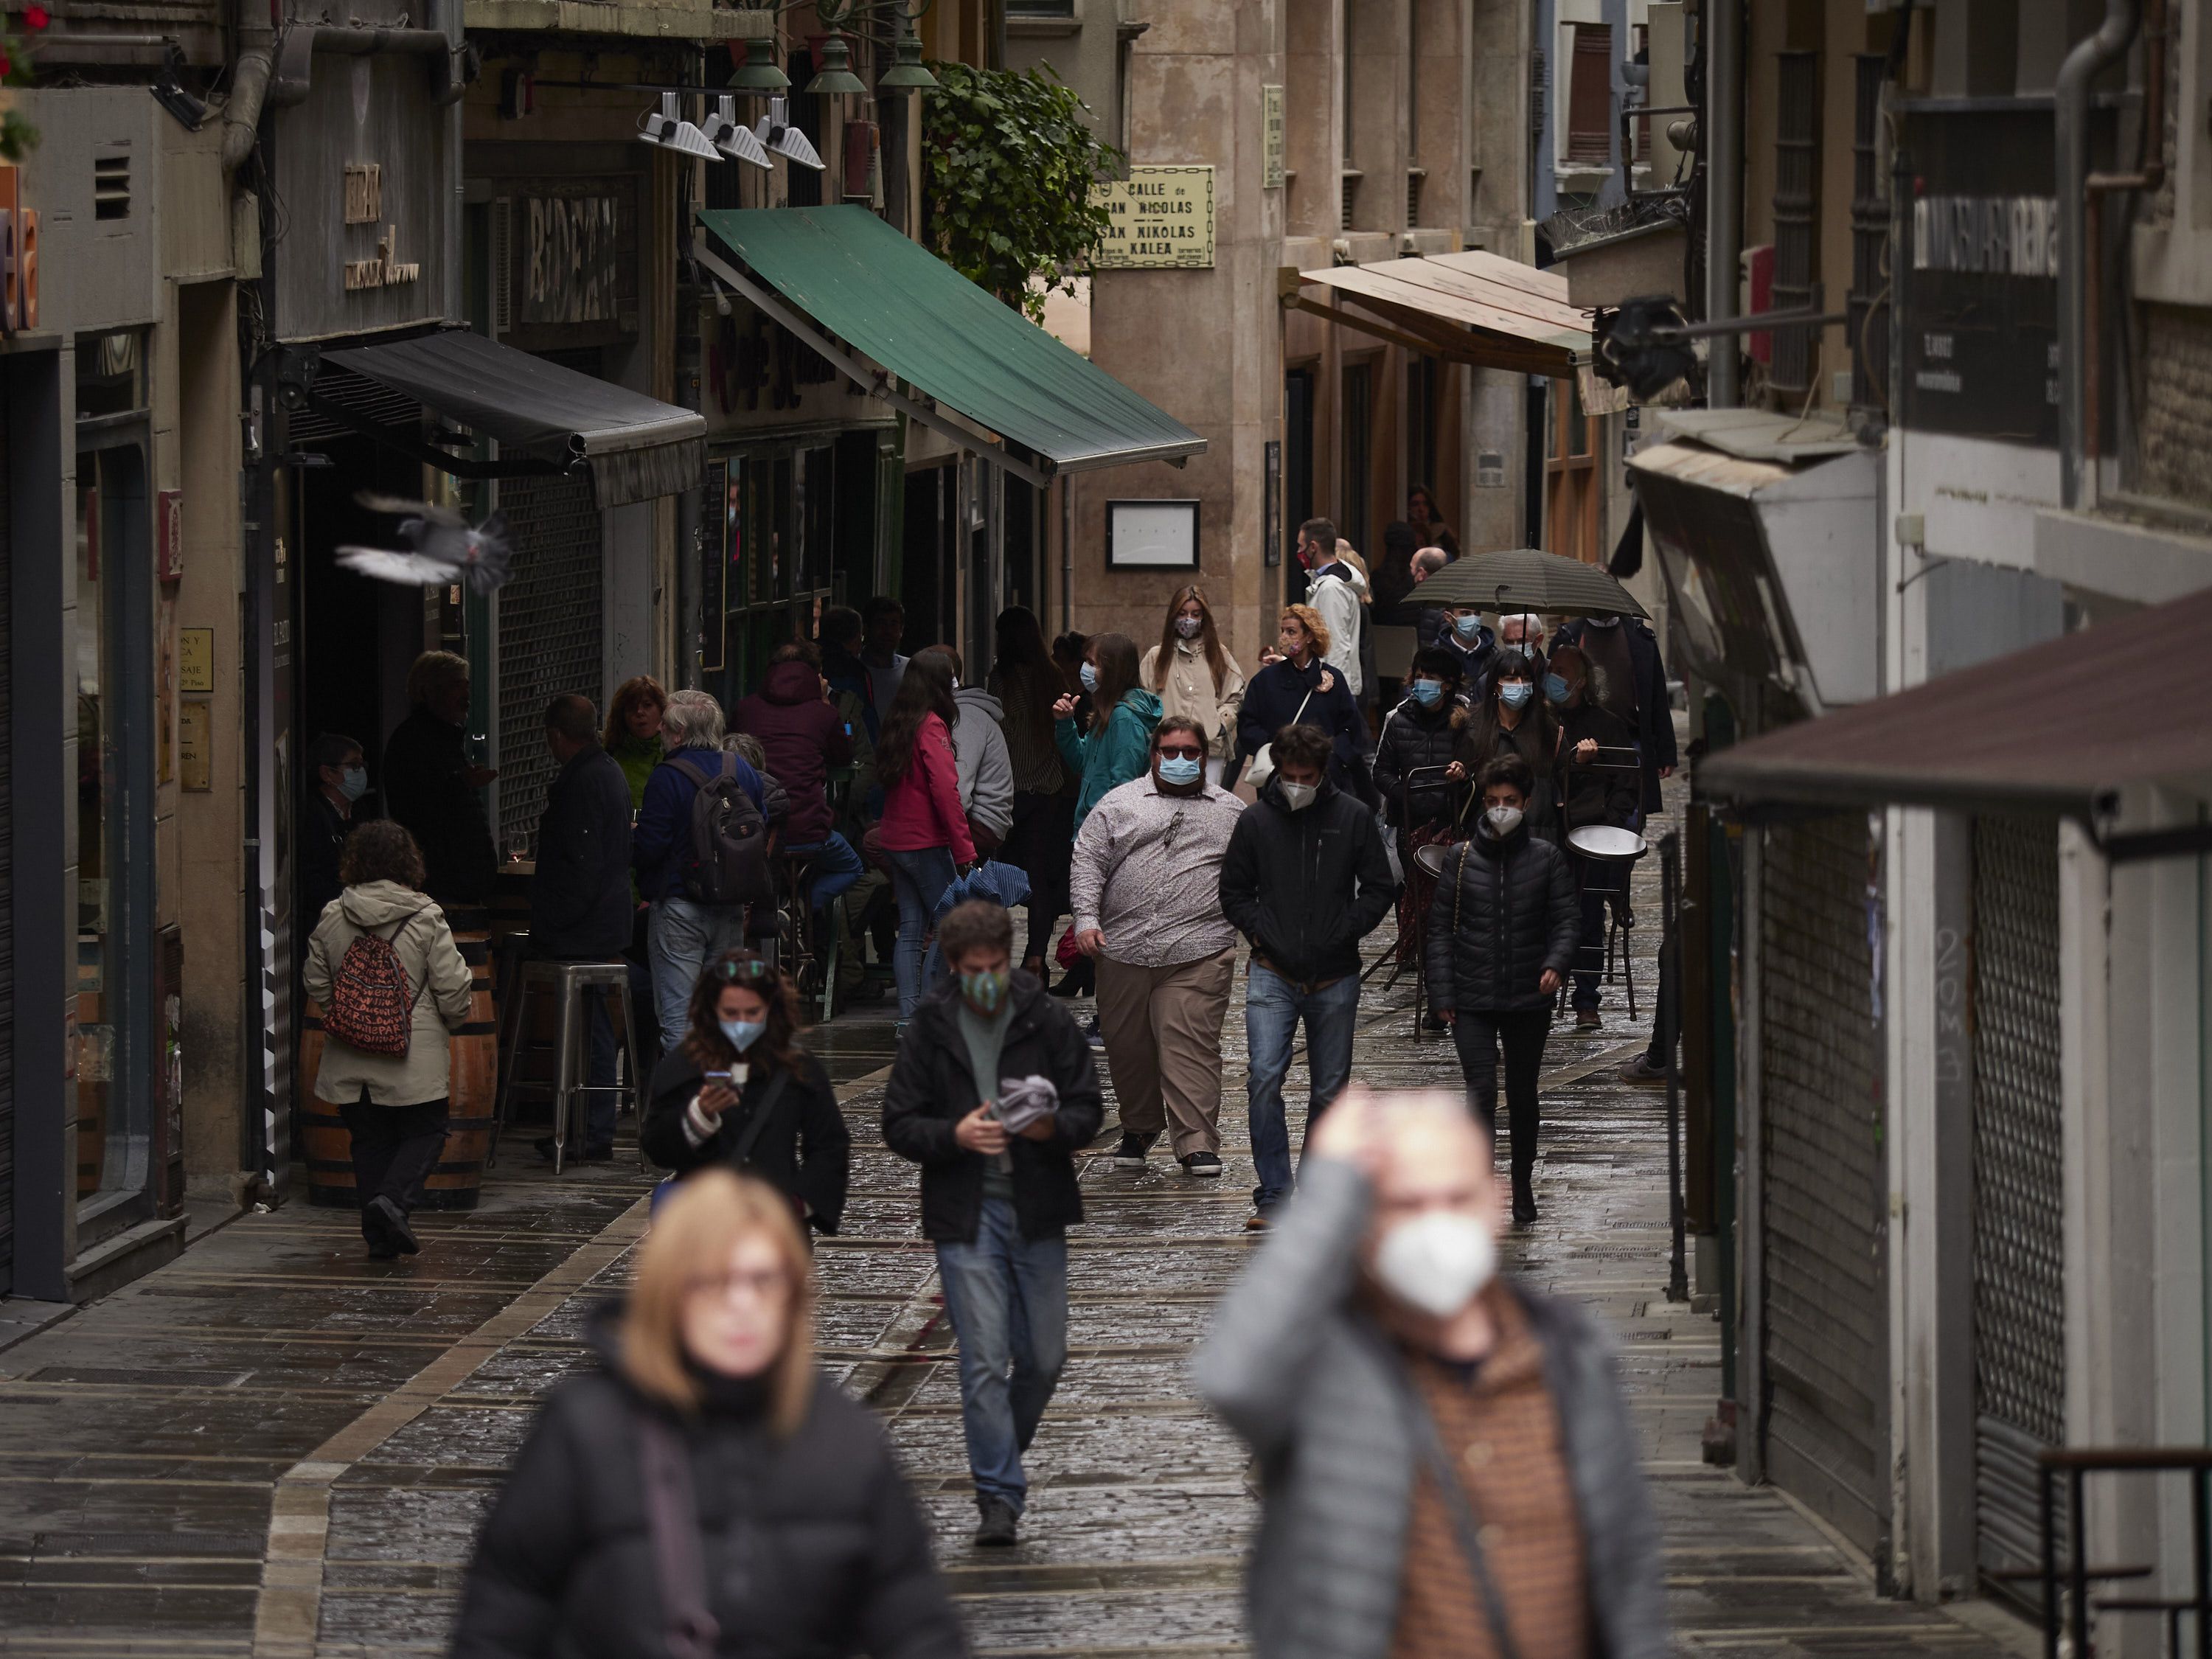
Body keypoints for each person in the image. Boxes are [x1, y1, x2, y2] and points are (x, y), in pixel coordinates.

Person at [1193, 1088, 1666, 1659]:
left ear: (1493, 1204)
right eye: (1407, 1205)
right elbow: (1232, 1378)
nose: (1435, 1226)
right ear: (1363, 1221)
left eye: (1457, 1198)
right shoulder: (1323, 1367)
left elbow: (1628, 1564)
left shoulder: (1570, 1356)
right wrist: (1328, 1190)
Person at [451, 1169, 964, 1659]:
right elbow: (502, 1620)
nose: (741, 1303)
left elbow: (918, 1623)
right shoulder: (583, 1432)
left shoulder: (844, 1438)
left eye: (763, 1281)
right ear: (668, 1295)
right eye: (713, 1282)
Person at [880, 900, 1104, 1547]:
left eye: (997, 966)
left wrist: (1048, 1128)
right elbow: (898, 1122)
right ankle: (998, 1496)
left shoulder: (1045, 1018)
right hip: (966, 1212)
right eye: (974, 969)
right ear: (953, 967)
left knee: (1044, 1356)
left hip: (1037, 1209)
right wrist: (953, 1134)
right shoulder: (930, 1027)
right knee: (981, 1358)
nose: (987, 978)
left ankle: (1000, 1446)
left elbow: (1088, 1107)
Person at [1219, 723, 1395, 1229]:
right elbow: (1234, 891)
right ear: (1279, 770)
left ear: (1322, 774)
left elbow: (1379, 888)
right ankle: (1274, 1192)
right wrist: (1260, 932)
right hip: (1271, 972)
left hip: (1335, 975)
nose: (1298, 784)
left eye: (1307, 776)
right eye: (1291, 775)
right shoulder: (1255, 823)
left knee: (1328, 1092)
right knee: (1263, 1078)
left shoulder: (1353, 818)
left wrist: (1347, 930)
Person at [1071, 716, 1245, 1178]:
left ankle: (1196, 1141)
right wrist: (1086, 919)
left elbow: (1254, 875)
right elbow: (1088, 860)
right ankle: (1140, 1126)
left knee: (1188, 1045)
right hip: (1121, 948)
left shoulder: (1231, 812)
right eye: (1171, 751)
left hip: (1199, 950)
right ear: (1154, 755)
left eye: (1191, 752)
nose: (1181, 760)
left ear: (1204, 757)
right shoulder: (1119, 804)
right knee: (1129, 1049)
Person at [302, 821, 473, 1259]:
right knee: (428, 1132)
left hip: (351, 1052)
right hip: (412, 1053)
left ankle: (380, 1237)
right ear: (408, 863)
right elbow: (452, 989)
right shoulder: (426, 916)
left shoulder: (333, 914)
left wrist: (349, 1015)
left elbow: (317, 982)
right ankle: (392, 1202)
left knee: (369, 1139)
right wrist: (450, 1021)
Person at [1427, 754, 1580, 1223]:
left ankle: (1522, 1184)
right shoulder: (1460, 857)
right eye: (1492, 801)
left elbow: (1567, 921)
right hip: (1471, 995)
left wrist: (1556, 964)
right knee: (1480, 1090)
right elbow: (1439, 932)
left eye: (1509, 801)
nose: (1500, 809)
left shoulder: (1546, 858)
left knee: (1522, 1093)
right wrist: (1443, 993)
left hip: (1527, 994)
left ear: (1527, 803)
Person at [640, 952, 849, 1234]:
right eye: (731, 1013)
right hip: (702, 1229)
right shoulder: (684, 1065)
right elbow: (657, 1148)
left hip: (776, 1227)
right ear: (713, 1011)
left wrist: (799, 1205)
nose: (742, 1022)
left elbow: (829, 1144)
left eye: (752, 1013)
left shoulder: (797, 1068)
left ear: (770, 1011)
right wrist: (699, 1116)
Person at [529, 695, 638, 1162]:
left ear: (556, 736)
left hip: (586, 929)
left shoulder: (585, 780)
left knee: (592, 1028)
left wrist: (553, 922)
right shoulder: (607, 771)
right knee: (592, 1027)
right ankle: (584, 1127)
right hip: (602, 921)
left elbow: (582, 866)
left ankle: (591, 1129)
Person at [635, 691, 770, 1045]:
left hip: (680, 907)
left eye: (664, 724)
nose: (659, 728)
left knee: (680, 1022)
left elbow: (651, 847)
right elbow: (760, 826)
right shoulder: (741, 769)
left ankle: (686, 1098)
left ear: (678, 734)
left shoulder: (666, 776)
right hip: (729, 906)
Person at [1545, 645, 1642, 1030]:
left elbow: (1626, 780)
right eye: (1551, 668)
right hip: (1549, 832)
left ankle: (1586, 999)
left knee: (1588, 916)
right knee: (1544, 915)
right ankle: (1545, 990)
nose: (1553, 675)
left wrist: (1610, 819)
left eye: (1562, 671)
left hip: (1593, 834)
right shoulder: (1541, 721)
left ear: (1581, 681)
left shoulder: (1607, 723)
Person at [875, 653, 975, 1022]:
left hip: (896, 839)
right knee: (951, 921)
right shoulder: (932, 726)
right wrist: (965, 850)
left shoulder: (899, 722)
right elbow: (946, 792)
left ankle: (908, 1016)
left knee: (912, 930)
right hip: (925, 841)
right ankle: (930, 1011)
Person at [731, 640, 863, 915]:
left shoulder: (746, 709)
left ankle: (775, 913)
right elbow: (844, 756)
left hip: (754, 829)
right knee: (852, 865)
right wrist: (826, 701)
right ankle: (801, 908)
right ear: (816, 675)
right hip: (807, 830)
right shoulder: (823, 713)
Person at [987, 607, 1074, 980]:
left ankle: (989, 956)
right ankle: (1037, 959)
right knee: (1039, 879)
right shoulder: (1051, 676)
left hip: (1006, 793)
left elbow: (998, 733)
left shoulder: (1001, 678)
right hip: (1046, 791)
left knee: (994, 877)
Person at [380, 650, 498, 904]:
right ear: (429, 691)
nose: (466, 696)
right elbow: (418, 807)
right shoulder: (414, 742)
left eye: (466, 685)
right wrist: (461, 783)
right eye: (456, 686)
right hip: (441, 887)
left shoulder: (446, 739)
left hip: (460, 884)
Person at [1553, 609, 1677, 819]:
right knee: (1583, 803)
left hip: (1630, 738)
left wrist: (1665, 751)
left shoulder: (1638, 636)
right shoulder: (1570, 635)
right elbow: (1554, 680)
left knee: (1630, 808)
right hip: (1581, 735)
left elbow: (1656, 695)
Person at [1237, 605, 1369, 800]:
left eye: (1291, 632)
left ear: (1309, 636)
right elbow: (1248, 725)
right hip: (1277, 779)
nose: (1284, 637)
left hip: (1324, 780)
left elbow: (1350, 728)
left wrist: (1332, 757)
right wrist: (1273, 749)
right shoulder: (1265, 680)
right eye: (1282, 631)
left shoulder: (1334, 678)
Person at [1052, 632, 1161, 839]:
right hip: (1092, 829)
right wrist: (1065, 723)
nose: (1084, 669)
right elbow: (1081, 762)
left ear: (1113, 671)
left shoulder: (1124, 718)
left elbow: (1123, 784)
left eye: (1091, 663)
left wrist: (1103, 834)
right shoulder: (1107, 712)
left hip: (1105, 835)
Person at [1136, 585, 1246, 787]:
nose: (1189, 619)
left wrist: (1220, 724)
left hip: (1209, 748)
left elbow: (1236, 696)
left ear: (1204, 617)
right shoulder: (1156, 657)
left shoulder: (1219, 655)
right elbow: (1142, 699)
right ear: (1173, 615)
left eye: (1196, 614)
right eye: (1183, 613)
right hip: (1166, 749)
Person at [914, 644, 1015, 858]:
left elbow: (958, 793)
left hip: (981, 821)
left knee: (895, 841)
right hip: (970, 815)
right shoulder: (948, 713)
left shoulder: (964, 717)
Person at [1457, 648, 1562, 846]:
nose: (1520, 685)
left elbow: (1562, 777)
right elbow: (1464, 788)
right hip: (1486, 834)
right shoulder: (1474, 727)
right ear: (1496, 685)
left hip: (1538, 835)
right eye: (1511, 679)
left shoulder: (1547, 728)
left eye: (1525, 678)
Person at [302, 731, 372, 926]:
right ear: (328, 773)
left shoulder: (359, 810)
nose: (361, 771)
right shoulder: (311, 814)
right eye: (354, 765)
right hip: (327, 919)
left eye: (362, 765)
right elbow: (311, 877)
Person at [1295, 518, 1364, 698]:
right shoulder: (1326, 583)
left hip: (1330, 688)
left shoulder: (1331, 588)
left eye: (1300, 546)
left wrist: (1329, 689)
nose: (1298, 552)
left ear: (1313, 547)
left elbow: (1335, 644)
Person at [602, 676, 669, 806]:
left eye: (647, 705)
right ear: (622, 715)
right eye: (632, 707)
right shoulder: (609, 757)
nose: (639, 712)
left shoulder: (676, 753)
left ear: (662, 710)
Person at [860, 596, 910, 726]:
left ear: (901, 631)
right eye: (881, 623)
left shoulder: (912, 670)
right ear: (866, 628)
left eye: (893, 624)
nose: (888, 631)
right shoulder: (854, 671)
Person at [1407, 546, 1453, 651]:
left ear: (1421, 573)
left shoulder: (1440, 607)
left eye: (1412, 568)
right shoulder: (1429, 602)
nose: (1410, 572)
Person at [1500, 611, 1548, 675]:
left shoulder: (1553, 674)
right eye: (1510, 642)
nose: (1515, 647)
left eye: (1522, 641)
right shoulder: (1491, 678)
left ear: (1538, 641)